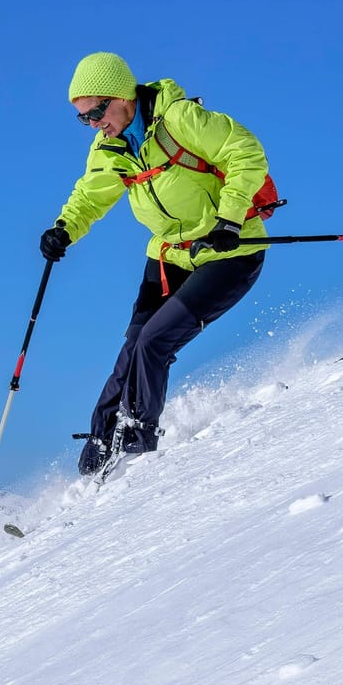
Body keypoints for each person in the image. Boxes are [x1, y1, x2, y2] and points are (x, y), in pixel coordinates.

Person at [39, 52, 273, 475]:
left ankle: (136, 447)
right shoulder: (111, 147)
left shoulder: (180, 120)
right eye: (82, 119)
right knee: (132, 346)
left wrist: (231, 215)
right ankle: (98, 450)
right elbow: (91, 195)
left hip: (228, 251)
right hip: (170, 254)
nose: (93, 124)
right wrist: (63, 229)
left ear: (122, 96)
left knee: (153, 343)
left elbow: (246, 152)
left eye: (95, 112)